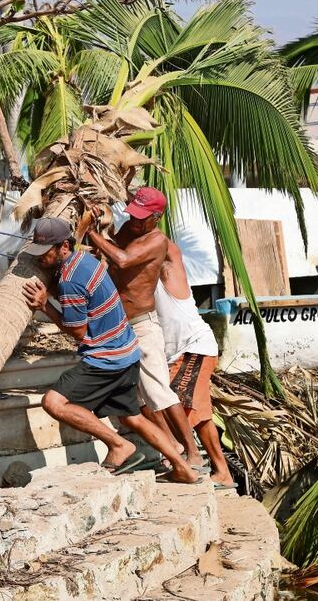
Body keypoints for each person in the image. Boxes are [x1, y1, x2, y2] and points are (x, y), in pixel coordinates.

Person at [20, 218, 200, 483]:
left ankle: (119, 446)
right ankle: (183, 469)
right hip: (127, 350)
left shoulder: (70, 281)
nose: (41, 259)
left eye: (46, 253)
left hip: (105, 357)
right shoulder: (85, 260)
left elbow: (79, 333)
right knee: (132, 418)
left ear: (64, 247)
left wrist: (45, 305)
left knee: (53, 402)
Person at [85, 187, 206, 473]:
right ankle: (171, 447)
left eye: (142, 219)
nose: (136, 223)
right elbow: (113, 247)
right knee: (137, 397)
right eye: (134, 217)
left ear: (157, 217)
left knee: (160, 393)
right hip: (119, 326)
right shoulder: (130, 229)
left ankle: (193, 452)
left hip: (142, 325)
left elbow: (122, 259)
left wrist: (92, 235)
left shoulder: (157, 240)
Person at [156, 238, 237, 488]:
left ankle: (182, 455)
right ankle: (221, 472)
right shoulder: (137, 271)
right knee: (199, 415)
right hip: (177, 354)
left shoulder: (169, 265)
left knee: (171, 400)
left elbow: (164, 245)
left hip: (194, 348)